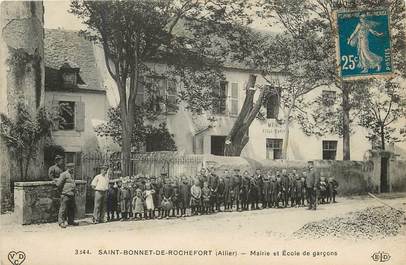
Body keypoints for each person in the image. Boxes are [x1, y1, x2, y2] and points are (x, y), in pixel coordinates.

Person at [55, 163, 78, 228]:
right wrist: (62, 192)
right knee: (63, 209)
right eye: (71, 168)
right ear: (68, 168)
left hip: (71, 194)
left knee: (71, 208)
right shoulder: (64, 174)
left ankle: (71, 221)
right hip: (65, 194)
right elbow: (58, 184)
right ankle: (61, 222)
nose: (73, 169)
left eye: (73, 167)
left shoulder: (72, 175)